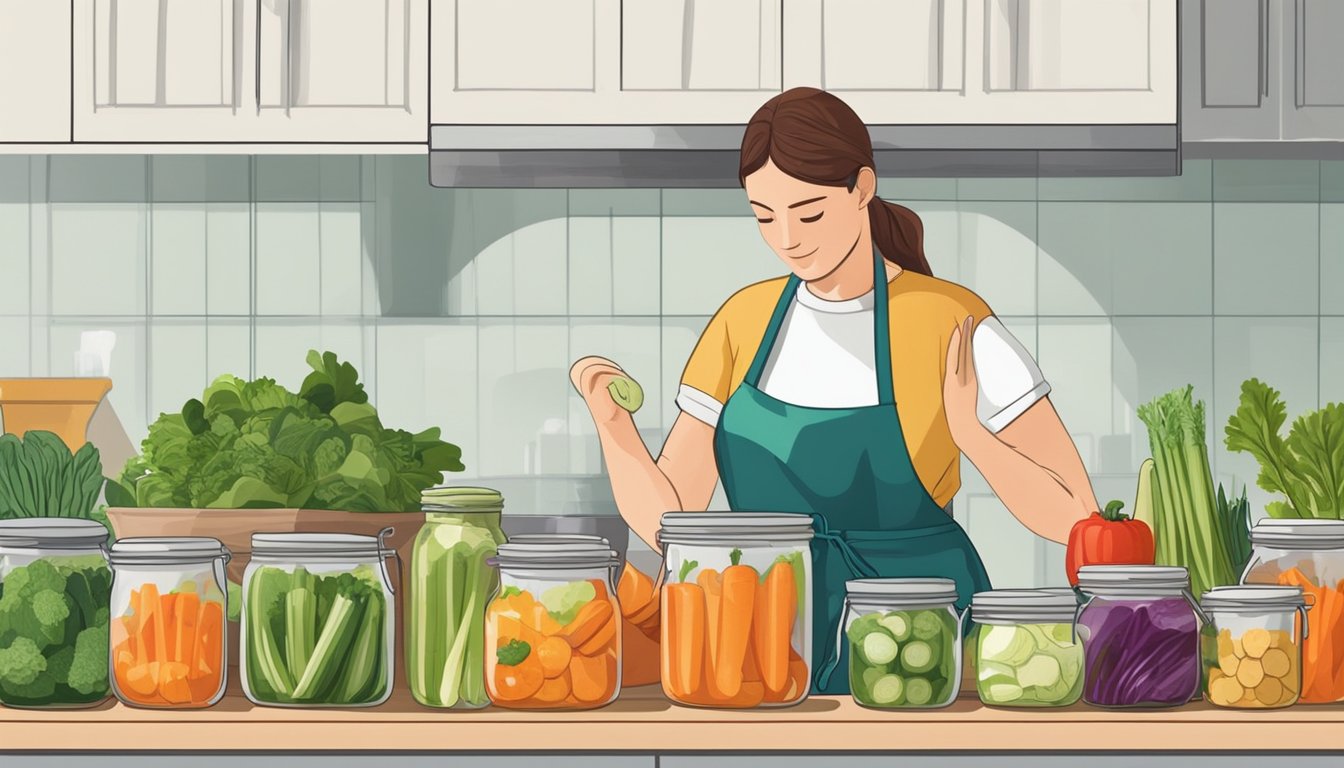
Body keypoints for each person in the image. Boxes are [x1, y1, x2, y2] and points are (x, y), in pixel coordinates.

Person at [570, 87, 1099, 695]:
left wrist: (971, 436)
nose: (788, 238)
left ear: (862, 189)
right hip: (761, 639)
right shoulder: (742, 321)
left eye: (810, 212)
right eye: (764, 216)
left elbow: (1075, 516)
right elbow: (677, 522)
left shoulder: (950, 320)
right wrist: (613, 428)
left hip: (917, 643)